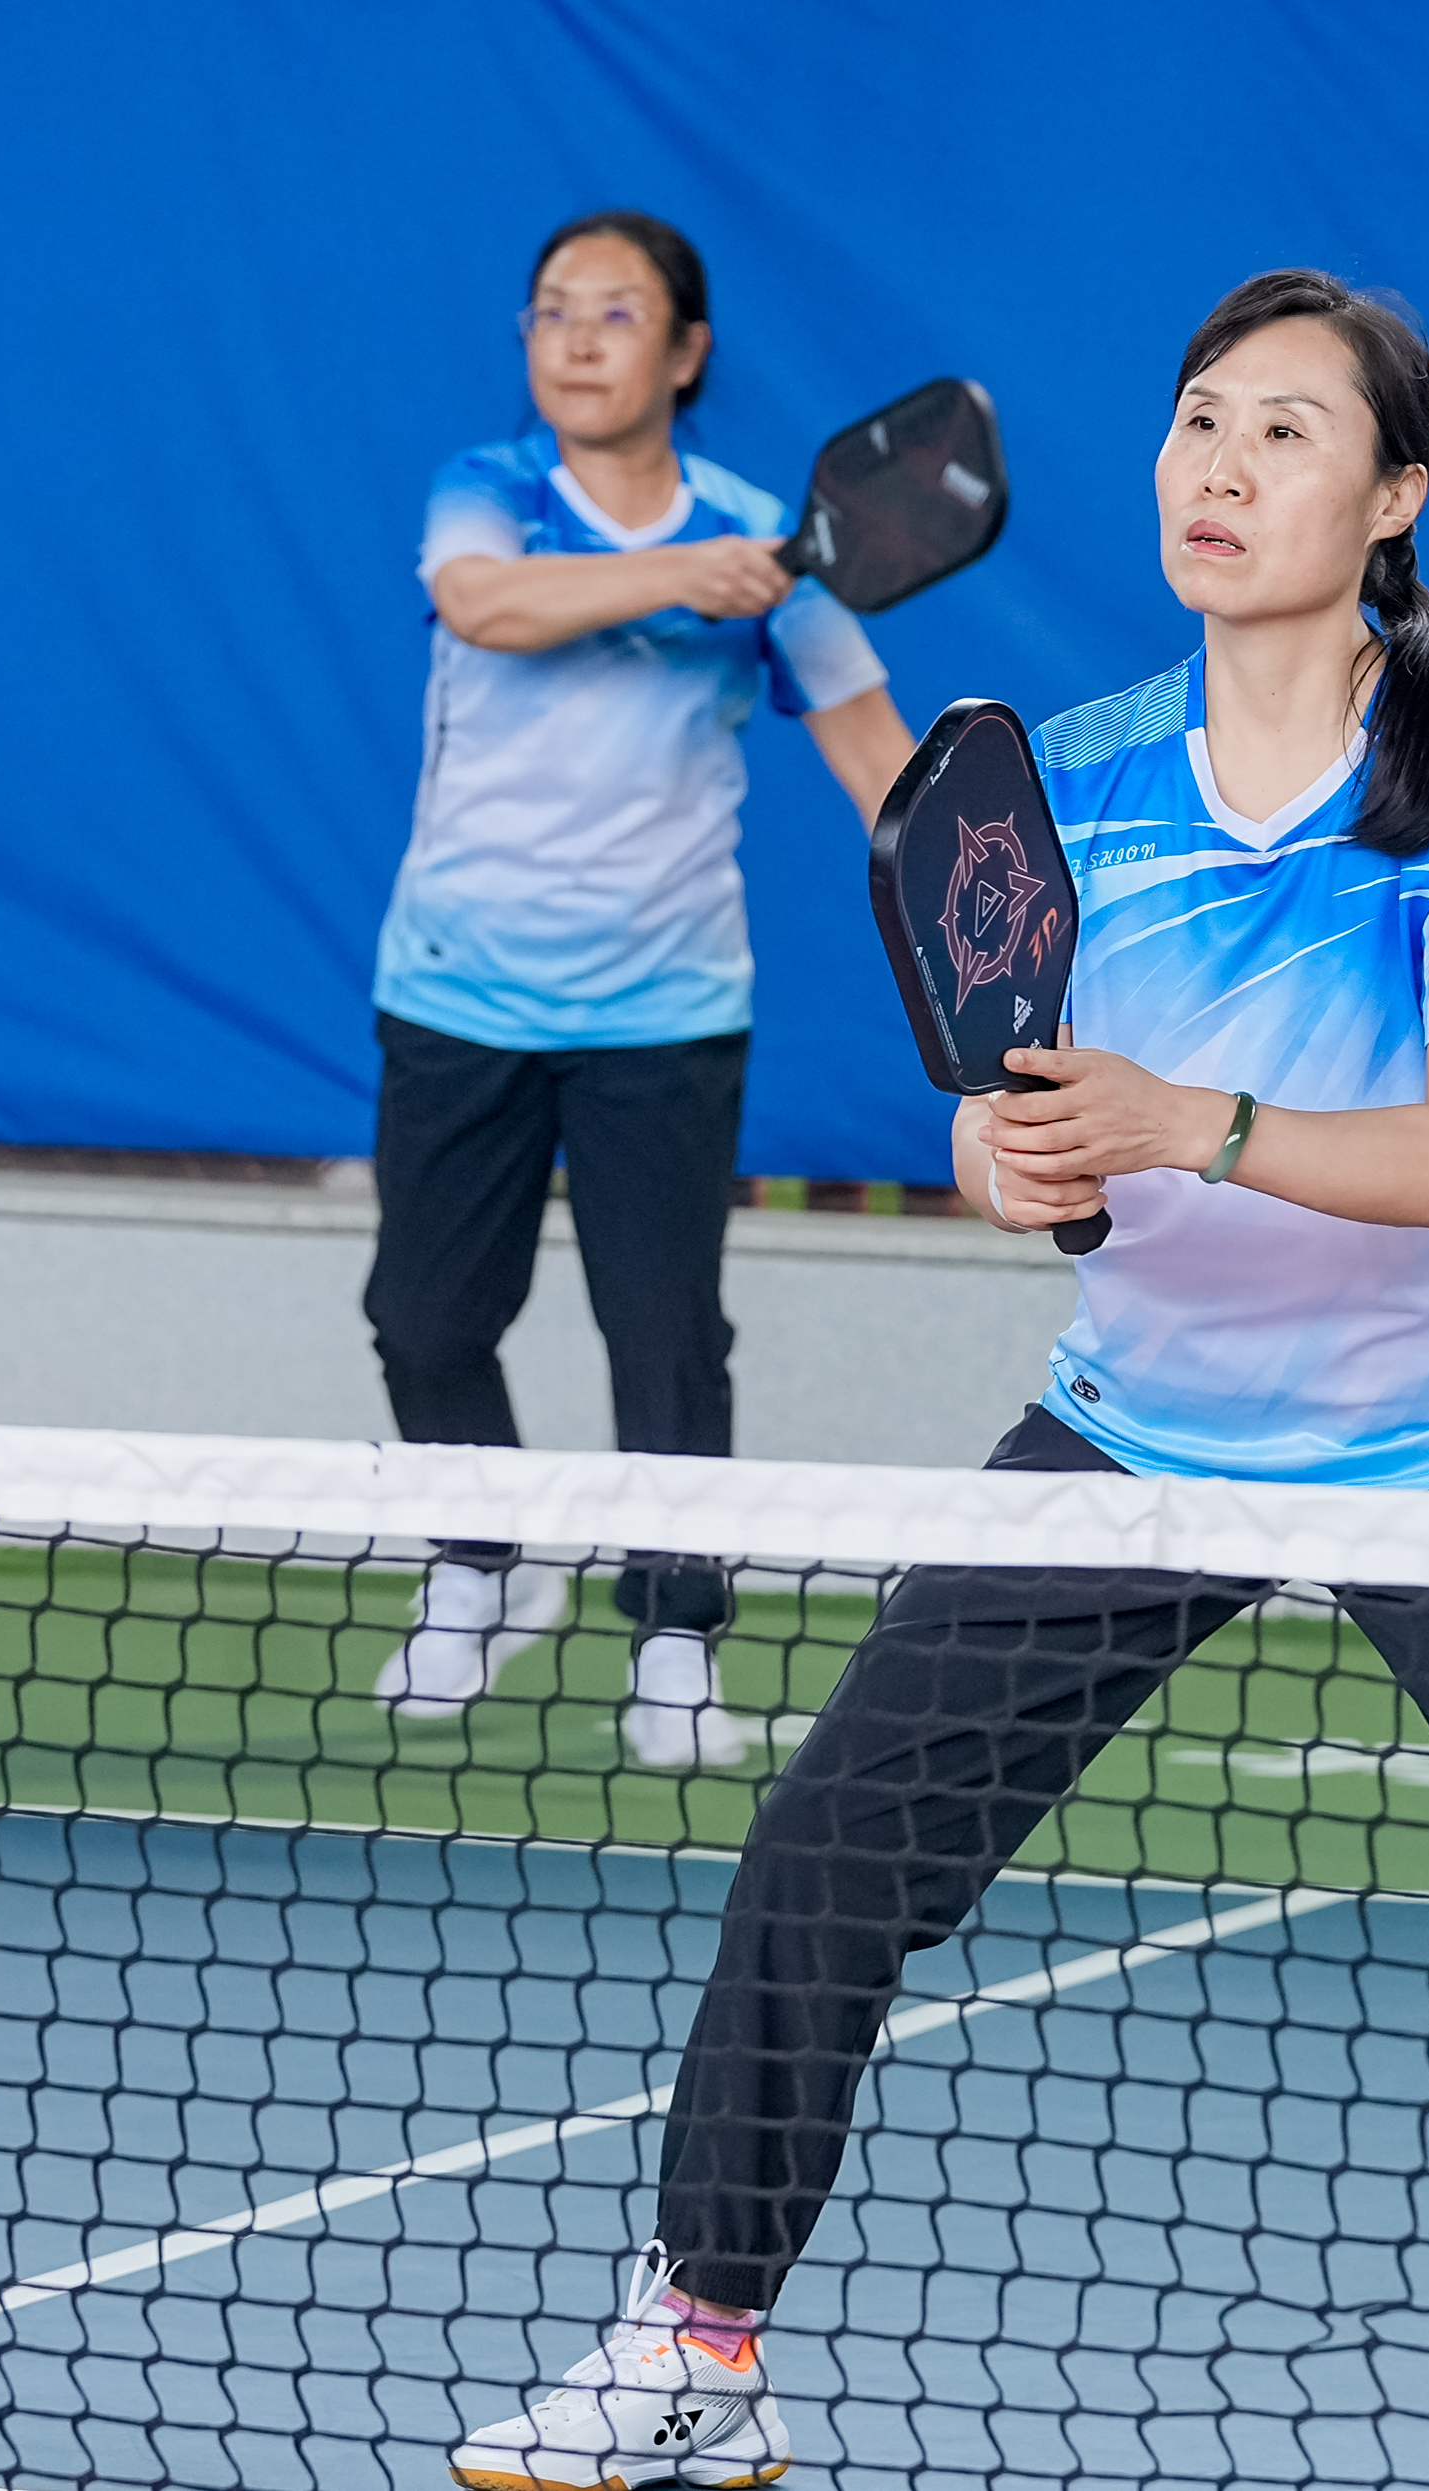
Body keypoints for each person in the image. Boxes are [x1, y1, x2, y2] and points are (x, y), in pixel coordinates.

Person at [444, 272, 1429, 2491]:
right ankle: (700, 2342)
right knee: (828, 1856)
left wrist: (1182, 1123)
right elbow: (1013, 1127)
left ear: (1393, 496)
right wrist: (1015, 1157)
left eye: (1283, 435)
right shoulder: (1063, 775)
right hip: (1139, 1424)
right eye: (1198, 422)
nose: (1219, 471)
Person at [367, 210, 915, 1773]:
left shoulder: (766, 546)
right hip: (456, 993)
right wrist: (685, 576)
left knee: (665, 1339)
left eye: (615, 313)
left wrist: (988, 922)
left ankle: (676, 1636)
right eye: (552, 310)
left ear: (685, 353)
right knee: (421, 1323)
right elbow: (485, 604)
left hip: (664, 1013)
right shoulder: (488, 491)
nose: (576, 338)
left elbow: (877, 762)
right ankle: (481, 1560)